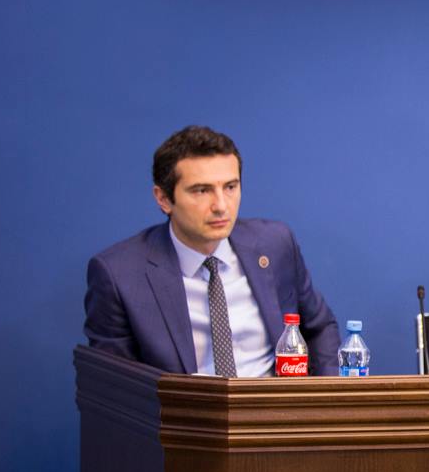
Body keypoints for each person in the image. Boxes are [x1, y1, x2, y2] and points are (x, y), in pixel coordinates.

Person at [84, 126, 339, 376]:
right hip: (183, 405)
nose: (221, 206)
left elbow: (319, 328)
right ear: (163, 199)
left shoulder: (275, 244)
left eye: (230, 187)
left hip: (274, 401)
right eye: (202, 190)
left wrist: (328, 397)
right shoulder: (120, 275)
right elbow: (114, 385)